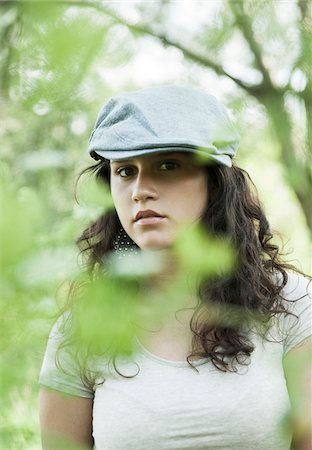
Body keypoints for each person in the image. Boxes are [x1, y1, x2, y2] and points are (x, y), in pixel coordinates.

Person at [39, 85, 312, 450]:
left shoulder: (291, 304)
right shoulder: (81, 331)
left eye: (167, 165)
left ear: (215, 183)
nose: (139, 190)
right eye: (125, 172)